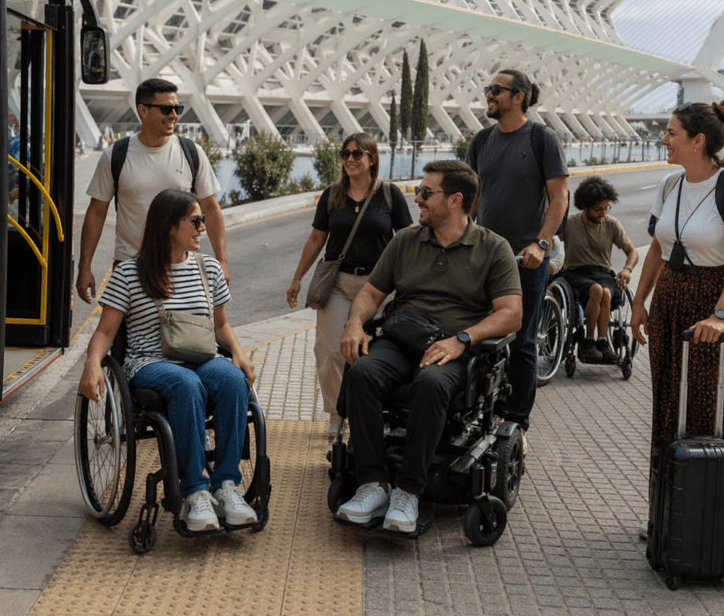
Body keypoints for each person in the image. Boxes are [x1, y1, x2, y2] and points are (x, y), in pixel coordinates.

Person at [336, 161, 522, 533]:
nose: (416, 199)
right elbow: (371, 293)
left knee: (431, 384)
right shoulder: (406, 240)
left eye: (425, 193)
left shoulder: (492, 248)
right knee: (362, 373)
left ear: (455, 200)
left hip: (454, 348)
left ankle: (408, 491)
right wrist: (355, 322)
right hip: (404, 337)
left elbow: (512, 314)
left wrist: (463, 339)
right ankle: (373, 484)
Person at [78, 189, 256, 532]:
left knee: (233, 379)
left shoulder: (209, 270)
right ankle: (195, 493)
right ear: (169, 227)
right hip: (150, 363)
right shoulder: (130, 273)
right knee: (186, 384)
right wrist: (92, 363)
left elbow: (220, 325)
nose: (202, 226)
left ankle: (227, 486)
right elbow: (105, 332)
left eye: (202, 219)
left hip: (201, 356)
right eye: (195, 220)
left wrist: (239, 352)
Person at [631, 101, 724, 535]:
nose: (663, 139)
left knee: (709, 409)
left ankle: (706, 522)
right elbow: (658, 252)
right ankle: (664, 514)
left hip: (714, 306)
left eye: (671, 133)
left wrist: (720, 315)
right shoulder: (669, 185)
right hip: (670, 303)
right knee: (668, 405)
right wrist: (638, 301)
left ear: (697, 140)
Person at [286, 133, 412, 438]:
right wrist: (297, 277)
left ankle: (366, 412)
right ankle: (336, 413)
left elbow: (407, 237)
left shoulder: (389, 195)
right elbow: (317, 238)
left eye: (357, 154)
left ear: (372, 158)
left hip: (379, 286)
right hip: (338, 284)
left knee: (371, 353)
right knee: (330, 351)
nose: (350, 159)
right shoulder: (333, 196)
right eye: (345, 154)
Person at [466, 69, 568, 437]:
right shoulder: (481, 141)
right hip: (483, 256)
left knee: (522, 341)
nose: (489, 95)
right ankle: (479, 408)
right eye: (488, 89)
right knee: (475, 333)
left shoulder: (543, 138)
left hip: (525, 261)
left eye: (496, 90)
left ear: (519, 96)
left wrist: (541, 244)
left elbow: (559, 198)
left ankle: (516, 423)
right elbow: (471, 200)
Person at [77, 78, 229, 301]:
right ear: (143, 111)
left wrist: (222, 261)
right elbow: (96, 212)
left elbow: (211, 208)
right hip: (129, 268)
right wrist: (84, 266)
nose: (174, 115)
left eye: (177, 108)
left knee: (181, 335)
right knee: (120, 335)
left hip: (179, 269)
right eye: (167, 108)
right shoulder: (116, 155)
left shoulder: (192, 153)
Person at [560, 176, 639, 363]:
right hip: (575, 273)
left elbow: (632, 252)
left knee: (605, 291)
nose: (603, 213)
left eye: (606, 208)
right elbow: (551, 243)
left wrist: (627, 268)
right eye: (597, 209)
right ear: (584, 207)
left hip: (603, 273)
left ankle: (602, 342)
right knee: (597, 290)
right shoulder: (570, 223)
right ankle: (589, 341)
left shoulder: (612, 224)